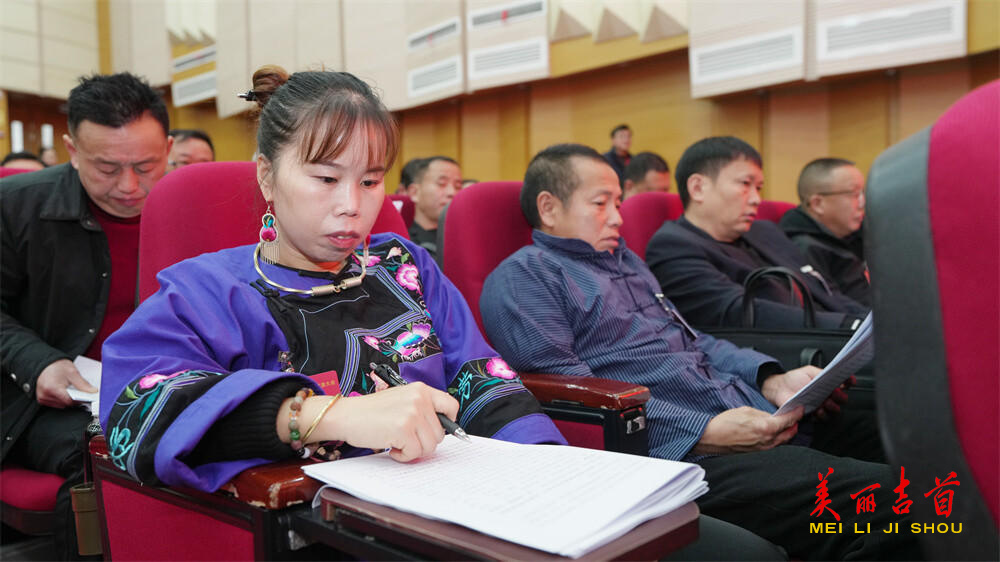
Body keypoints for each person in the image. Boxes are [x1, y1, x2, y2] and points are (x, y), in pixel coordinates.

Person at [99, 66, 566, 495]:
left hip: (452, 498)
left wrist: (545, 466)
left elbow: (481, 379)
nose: (351, 206)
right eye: (326, 178)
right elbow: (137, 408)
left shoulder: (404, 265)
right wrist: (321, 415)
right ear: (267, 176)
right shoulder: (206, 291)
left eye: (370, 181)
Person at [480, 144, 921, 561]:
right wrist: (703, 431)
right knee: (911, 498)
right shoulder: (527, 277)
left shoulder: (626, 262)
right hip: (683, 454)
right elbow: (572, 396)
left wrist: (770, 378)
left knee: (921, 439)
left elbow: (695, 341)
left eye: (618, 202)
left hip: (747, 411)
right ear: (549, 208)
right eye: (601, 204)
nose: (617, 217)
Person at [1, 72, 172, 559]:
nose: (129, 186)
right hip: (44, 404)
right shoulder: (16, 207)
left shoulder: (190, 210)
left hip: (165, 387)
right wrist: (38, 362)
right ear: (73, 150)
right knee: (105, 450)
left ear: (168, 148)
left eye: (145, 165)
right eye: (107, 168)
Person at [645, 136, 868, 330]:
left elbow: (825, 291)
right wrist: (849, 327)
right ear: (697, 188)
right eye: (745, 184)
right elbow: (745, 313)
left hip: (835, 336)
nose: (756, 199)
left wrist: (868, 324)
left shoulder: (765, 231)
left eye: (758, 188)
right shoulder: (672, 247)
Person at [780, 158, 870, 306]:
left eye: (863, 193)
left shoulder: (855, 234)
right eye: (854, 194)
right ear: (817, 204)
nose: (863, 202)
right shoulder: (803, 249)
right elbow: (832, 306)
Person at [403, 155, 461, 257]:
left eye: (458, 186)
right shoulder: (404, 244)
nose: (452, 192)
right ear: (414, 192)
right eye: (442, 184)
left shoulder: (466, 239)